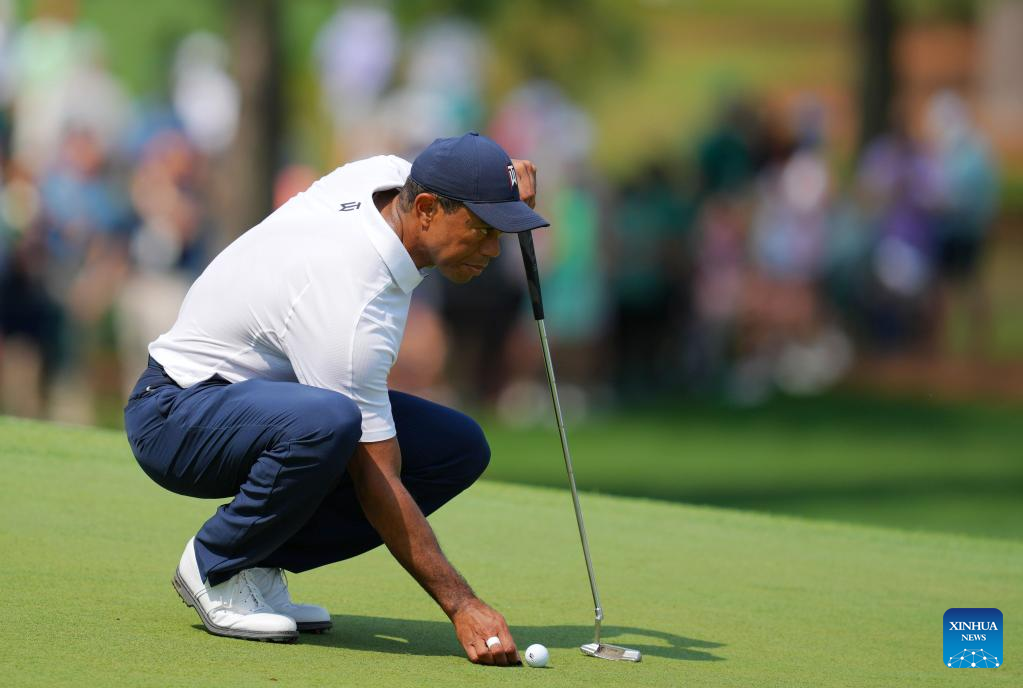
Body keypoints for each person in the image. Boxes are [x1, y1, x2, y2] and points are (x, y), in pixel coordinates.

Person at [123, 132, 546, 666]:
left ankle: (258, 560)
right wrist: (461, 604)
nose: (493, 249)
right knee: (331, 422)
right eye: (482, 230)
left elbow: (442, 168)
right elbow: (377, 480)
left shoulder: (386, 177)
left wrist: (499, 185)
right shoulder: (353, 306)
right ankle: (217, 563)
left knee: (457, 448)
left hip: (255, 402)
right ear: (425, 210)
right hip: (175, 415)